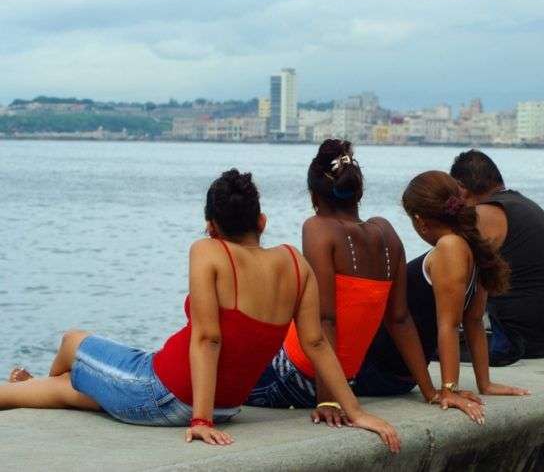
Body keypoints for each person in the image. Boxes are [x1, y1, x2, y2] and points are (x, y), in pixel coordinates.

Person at [1, 169, 401, 452]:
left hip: (165, 392)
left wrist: (200, 421)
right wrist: (356, 412)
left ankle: (68, 378)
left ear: (211, 226)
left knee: (73, 340)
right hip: (224, 404)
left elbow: (209, 338)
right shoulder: (295, 264)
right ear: (262, 220)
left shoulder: (209, 252)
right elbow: (316, 342)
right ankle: (55, 384)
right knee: (64, 390)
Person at [246, 141, 484, 425]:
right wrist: (430, 390)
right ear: (358, 193)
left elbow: (326, 320)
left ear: (314, 197)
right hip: (347, 378)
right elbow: (400, 320)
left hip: (297, 375)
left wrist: (328, 400)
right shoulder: (386, 233)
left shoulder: (317, 228)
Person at [357, 171, 529, 399]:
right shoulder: (474, 246)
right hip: (397, 378)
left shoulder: (449, 247)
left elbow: (449, 325)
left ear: (420, 221)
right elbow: (473, 321)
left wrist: (449, 390)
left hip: (374, 373)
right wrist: (483, 383)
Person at [449, 150, 544, 366]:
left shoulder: (484, 214)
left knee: (422, 343)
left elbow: (450, 274)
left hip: (512, 340)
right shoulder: (524, 206)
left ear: (462, 190)